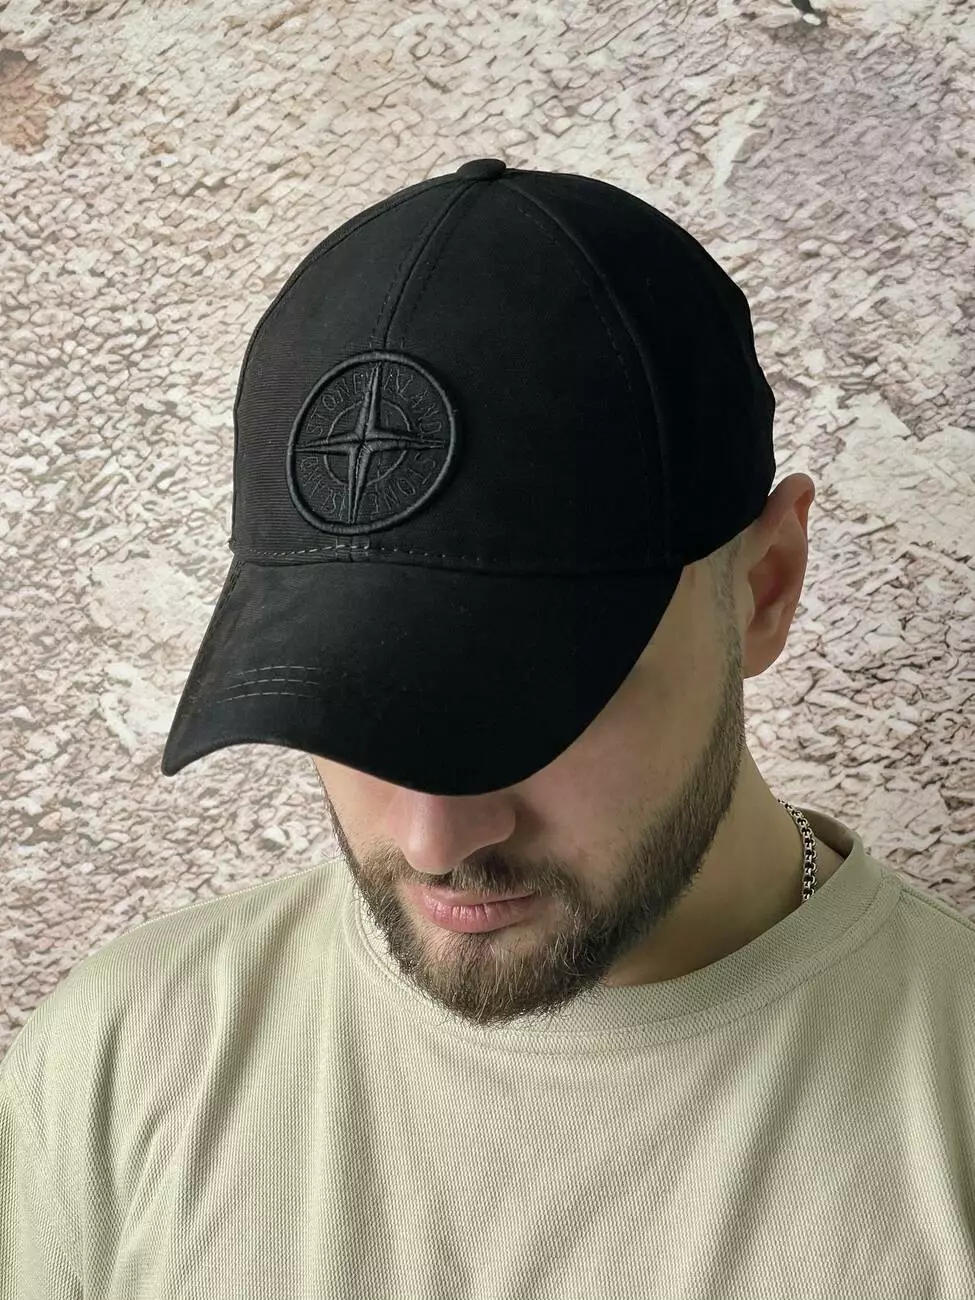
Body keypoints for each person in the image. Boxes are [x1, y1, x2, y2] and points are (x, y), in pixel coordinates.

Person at [3, 160, 972, 1299]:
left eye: (537, 699)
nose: (433, 836)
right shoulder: (123, 1059)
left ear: (764, 588)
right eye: (348, 698)